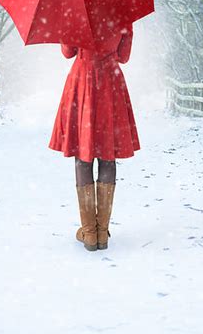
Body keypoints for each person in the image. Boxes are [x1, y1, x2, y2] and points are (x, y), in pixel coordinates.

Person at [48, 23, 140, 251]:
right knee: (108, 155)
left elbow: (68, 52)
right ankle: (102, 232)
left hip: (82, 80)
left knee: (83, 153)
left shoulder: (75, 10)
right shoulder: (121, 11)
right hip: (110, 82)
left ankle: (89, 233)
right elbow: (123, 56)